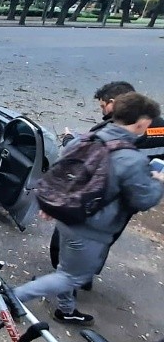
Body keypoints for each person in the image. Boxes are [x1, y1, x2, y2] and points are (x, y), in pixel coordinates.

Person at [14, 92, 164, 326]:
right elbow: (144, 200)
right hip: (90, 230)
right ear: (142, 124)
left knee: (65, 269)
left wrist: (52, 205)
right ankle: (13, 298)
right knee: (72, 277)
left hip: (66, 218)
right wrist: (157, 180)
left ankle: (66, 310)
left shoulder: (86, 139)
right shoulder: (131, 159)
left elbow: (66, 173)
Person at [51, 81, 164, 284]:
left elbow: (88, 155)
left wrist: (69, 140)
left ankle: (69, 278)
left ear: (113, 103)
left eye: (103, 106)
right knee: (105, 239)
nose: (103, 111)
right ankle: (83, 276)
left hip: (103, 195)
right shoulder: (159, 126)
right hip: (129, 196)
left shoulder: (116, 129)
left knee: (75, 237)